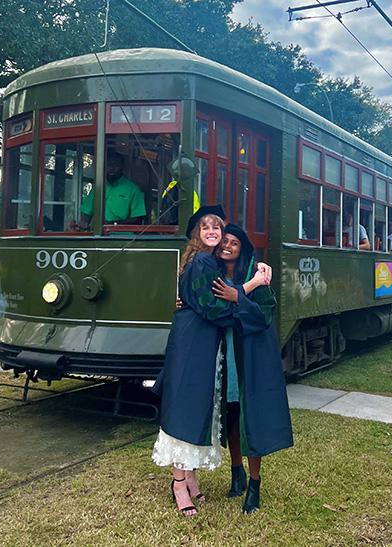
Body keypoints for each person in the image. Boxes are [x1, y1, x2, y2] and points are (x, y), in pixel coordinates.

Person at [151, 206, 269, 517]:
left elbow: (202, 299)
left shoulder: (199, 259)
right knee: (186, 406)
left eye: (217, 226)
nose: (213, 231)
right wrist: (251, 288)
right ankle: (179, 482)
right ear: (198, 234)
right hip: (194, 340)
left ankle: (188, 476)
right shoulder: (203, 260)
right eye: (206, 227)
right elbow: (215, 308)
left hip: (197, 339)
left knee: (193, 405)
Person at [212, 224, 293, 514]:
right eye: (225, 241)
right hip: (224, 354)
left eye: (234, 242)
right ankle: (236, 473)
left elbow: (264, 316)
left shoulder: (257, 275)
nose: (228, 246)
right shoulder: (214, 274)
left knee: (250, 418)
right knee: (231, 414)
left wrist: (239, 298)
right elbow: (209, 308)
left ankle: (255, 483)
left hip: (249, 356)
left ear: (242, 248)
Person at [78, 152, 146, 228]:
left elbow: (138, 219)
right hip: (98, 236)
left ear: (122, 167)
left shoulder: (133, 190)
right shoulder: (98, 187)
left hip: (122, 237)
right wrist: (83, 224)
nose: (111, 167)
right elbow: (87, 212)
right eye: (108, 164)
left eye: (115, 164)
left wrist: (114, 224)